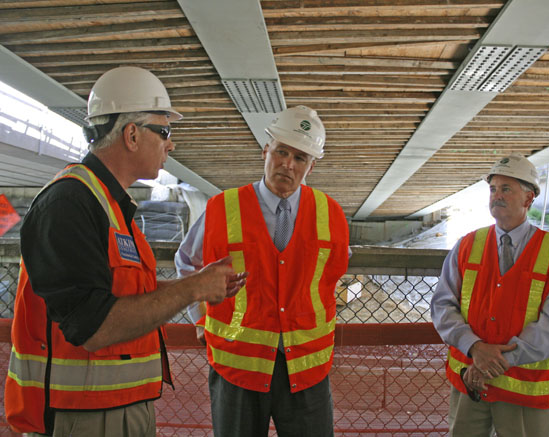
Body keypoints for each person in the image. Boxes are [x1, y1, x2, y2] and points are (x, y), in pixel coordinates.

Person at [5, 66, 247, 437]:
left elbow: (126, 298)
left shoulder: (110, 207)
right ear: (132, 134)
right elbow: (94, 327)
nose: (171, 144)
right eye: (164, 131)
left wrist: (200, 281)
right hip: (80, 416)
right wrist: (193, 290)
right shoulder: (69, 203)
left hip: (113, 409)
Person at [175, 105, 350, 437]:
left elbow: (332, 273)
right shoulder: (221, 207)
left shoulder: (332, 214)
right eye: (281, 151)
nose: (288, 163)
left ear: (311, 166)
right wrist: (198, 316)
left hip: (307, 367)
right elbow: (187, 262)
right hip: (238, 364)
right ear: (265, 151)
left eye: (300, 157)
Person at [431, 153, 549, 437]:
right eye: (493, 189)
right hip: (470, 383)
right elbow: (442, 305)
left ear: (528, 199)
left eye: (506, 189)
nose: (496, 196)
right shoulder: (466, 245)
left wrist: (495, 362)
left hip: (523, 388)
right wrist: (474, 347)